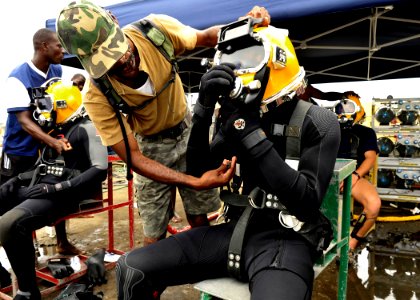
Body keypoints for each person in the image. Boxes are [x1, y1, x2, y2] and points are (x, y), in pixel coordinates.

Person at [114, 20, 341, 299]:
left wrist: (250, 134)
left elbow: (306, 202)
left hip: (287, 238)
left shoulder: (318, 121)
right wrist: (204, 110)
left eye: (247, 59)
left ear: (277, 61)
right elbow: (199, 171)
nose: (235, 70)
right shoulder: (233, 116)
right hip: (234, 230)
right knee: (131, 269)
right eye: (229, 60)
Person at [55, 0, 265, 245]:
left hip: (190, 133)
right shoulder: (96, 94)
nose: (122, 62)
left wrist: (247, 26)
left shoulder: (156, 32)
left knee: (200, 219)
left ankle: (203, 273)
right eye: (107, 61)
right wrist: (194, 181)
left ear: (114, 20)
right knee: (154, 234)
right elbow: (134, 157)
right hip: (149, 149)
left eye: (118, 48)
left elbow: (208, 37)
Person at [0, 81, 109, 300]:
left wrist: (57, 188)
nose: (43, 111)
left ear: (63, 104)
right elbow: (46, 166)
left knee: (8, 224)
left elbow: (100, 169)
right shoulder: (55, 132)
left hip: (63, 195)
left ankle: (28, 290)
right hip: (42, 189)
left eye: (47, 105)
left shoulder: (88, 127)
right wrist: (18, 179)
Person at [0, 28, 79, 285]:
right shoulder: (18, 78)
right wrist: (52, 142)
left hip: (44, 150)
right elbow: (24, 121)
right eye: (58, 46)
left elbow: (57, 109)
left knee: (52, 192)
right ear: (43, 46)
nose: (62, 51)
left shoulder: (55, 72)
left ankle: (63, 242)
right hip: (19, 154)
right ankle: (26, 257)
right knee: (17, 206)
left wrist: (60, 135)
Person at [332, 96, 382, 251]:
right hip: (327, 174)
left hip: (353, 175)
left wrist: (355, 175)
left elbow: (370, 157)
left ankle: (353, 242)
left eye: (349, 108)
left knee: (374, 205)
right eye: (341, 108)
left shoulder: (366, 133)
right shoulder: (328, 129)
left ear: (358, 110)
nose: (344, 113)